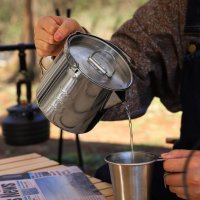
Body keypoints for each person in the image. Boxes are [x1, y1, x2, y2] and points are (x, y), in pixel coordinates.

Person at [34, 0, 200, 199]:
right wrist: (80, 56)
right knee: (106, 178)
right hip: (185, 177)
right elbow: (129, 74)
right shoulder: (176, 9)